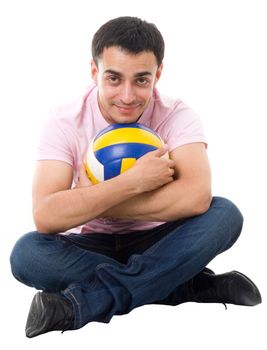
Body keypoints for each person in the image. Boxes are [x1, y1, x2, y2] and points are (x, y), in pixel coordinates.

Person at [10, 16, 261, 338]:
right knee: (28, 254)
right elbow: (46, 217)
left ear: (158, 74)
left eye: (141, 80)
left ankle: (81, 305)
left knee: (225, 214)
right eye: (114, 79)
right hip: (92, 247)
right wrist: (132, 183)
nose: (127, 97)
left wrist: (90, 199)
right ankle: (182, 285)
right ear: (94, 72)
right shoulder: (63, 120)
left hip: (161, 239)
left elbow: (196, 197)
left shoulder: (176, 115)